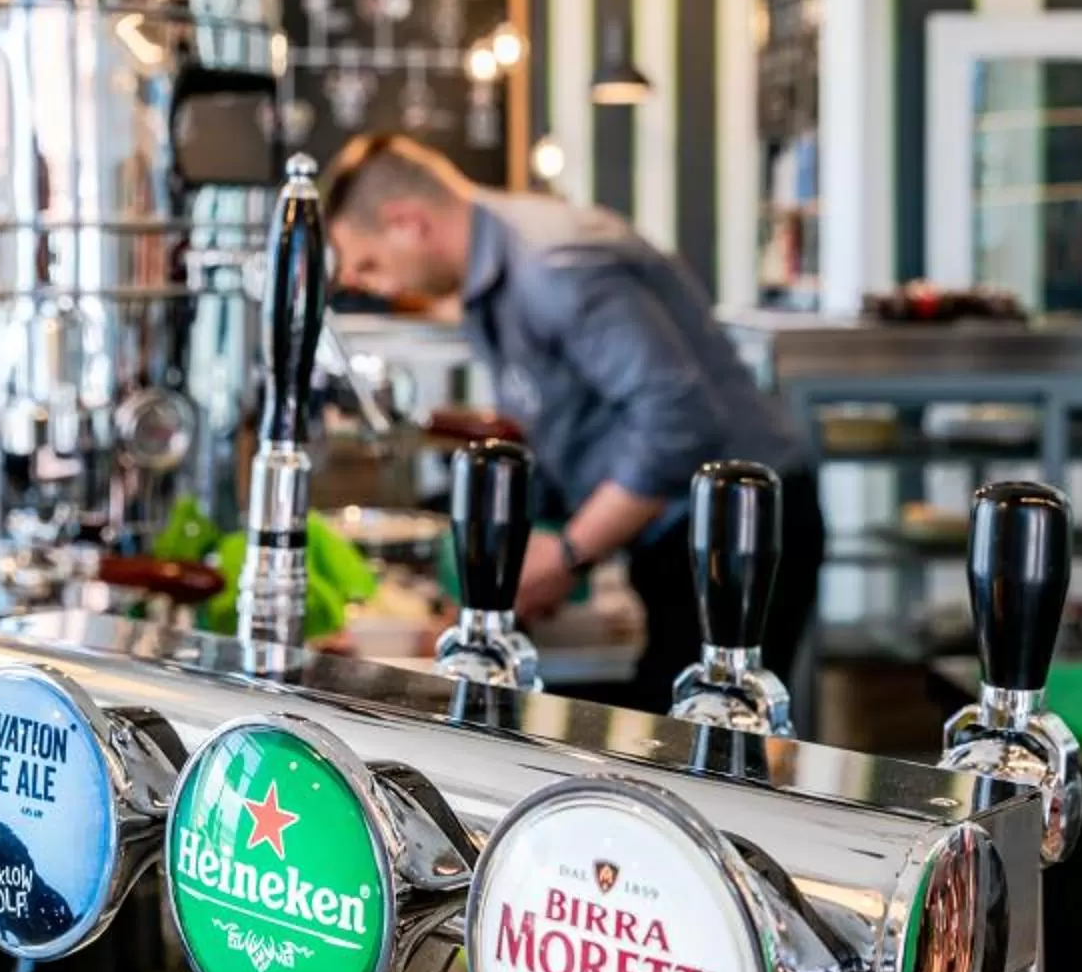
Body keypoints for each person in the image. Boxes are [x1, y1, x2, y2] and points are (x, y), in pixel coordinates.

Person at [324, 133, 823, 715]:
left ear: (407, 222)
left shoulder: (554, 268)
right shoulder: (499, 267)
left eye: (370, 265)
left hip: (740, 532)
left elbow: (678, 422)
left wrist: (567, 557)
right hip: (673, 531)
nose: (380, 287)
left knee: (718, 753)